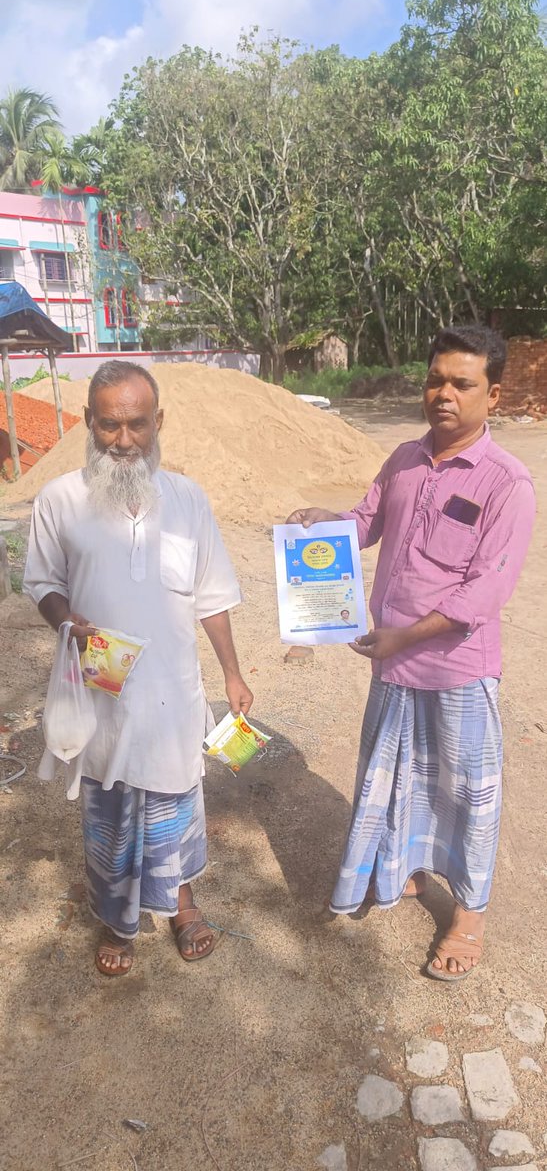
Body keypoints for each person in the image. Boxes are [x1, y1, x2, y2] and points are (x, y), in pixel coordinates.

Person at [287, 325, 535, 981]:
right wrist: (326, 520)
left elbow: (485, 592)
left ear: (492, 394)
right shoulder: (400, 458)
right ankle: (400, 873)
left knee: (465, 794)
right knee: (394, 779)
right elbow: (367, 521)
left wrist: (402, 635)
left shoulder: (506, 483)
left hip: (455, 668)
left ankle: (468, 915)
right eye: (434, 380)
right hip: (392, 666)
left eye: (461, 383)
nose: (443, 394)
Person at [24, 361, 253, 976]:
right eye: (108, 426)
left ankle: (181, 905)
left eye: (136, 425)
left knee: (176, 798)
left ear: (159, 422)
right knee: (112, 805)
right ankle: (115, 921)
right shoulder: (59, 501)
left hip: (174, 689)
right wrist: (68, 622)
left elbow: (211, 595)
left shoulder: (187, 499)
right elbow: (42, 582)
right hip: (103, 685)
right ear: (88, 425)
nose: (123, 441)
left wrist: (233, 673)